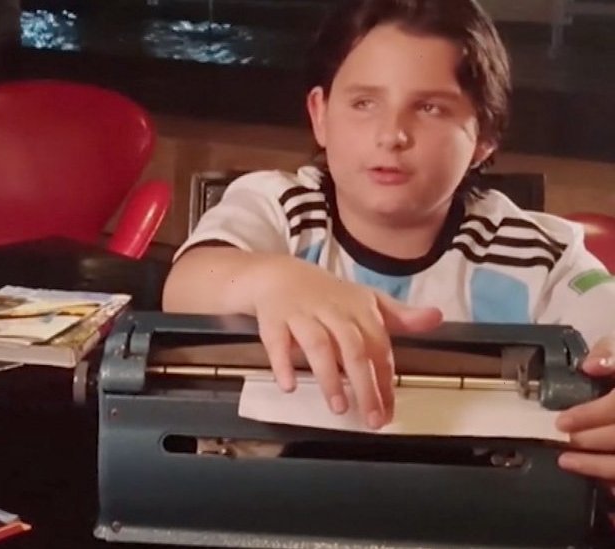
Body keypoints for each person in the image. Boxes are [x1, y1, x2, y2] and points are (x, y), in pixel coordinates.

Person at [162, 0, 615, 483]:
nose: (392, 134)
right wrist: (274, 281)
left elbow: (605, 325)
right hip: (267, 496)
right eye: (363, 103)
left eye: (430, 107)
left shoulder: (541, 254)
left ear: (484, 135)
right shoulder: (277, 208)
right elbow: (186, 283)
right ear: (320, 114)